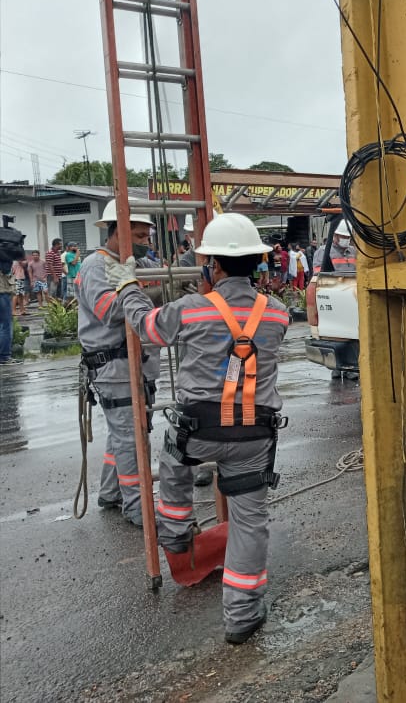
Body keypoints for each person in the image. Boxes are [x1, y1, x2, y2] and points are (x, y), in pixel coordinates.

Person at [105, 213, 289, 645]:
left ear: (213, 265)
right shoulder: (278, 315)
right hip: (253, 439)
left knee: (174, 463)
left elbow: (148, 328)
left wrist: (127, 286)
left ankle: (175, 533)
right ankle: (242, 615)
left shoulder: (191, 310)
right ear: (257, 263)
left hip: (197, 432)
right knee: (250, 522)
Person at [75, 201, 161, 526]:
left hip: (136, 365)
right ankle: (138, 509)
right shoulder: (96, 267)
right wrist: (146, 292)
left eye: (147, 235)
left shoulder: (133, 263)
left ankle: (111, 493)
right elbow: (110, 312)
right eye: (140, 235)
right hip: (114, 368)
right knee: (129, 437)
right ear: (118, 232)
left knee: (122, 433)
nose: (146, 241)